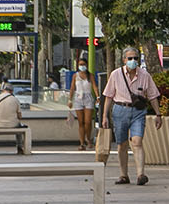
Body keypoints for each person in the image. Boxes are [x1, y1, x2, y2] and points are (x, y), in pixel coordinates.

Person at [102, 46, 163, 185]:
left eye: (135, 58)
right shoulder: (115, 74)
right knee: (122, 144)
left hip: (138, 112)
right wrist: (105, 116)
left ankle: (141, 174)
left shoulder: (145, 75)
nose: (133, 61)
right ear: (124, 60)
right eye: (130, 58)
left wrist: (158, 114)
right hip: (120, 110)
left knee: (137, 141)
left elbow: (153, 96)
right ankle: (124, 175)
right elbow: (109, 96)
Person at [69, 59, 97, 151]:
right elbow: (72, 87)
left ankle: (88, 139)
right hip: (78, 98)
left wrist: (98, 97)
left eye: (83, 64)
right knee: (81, 122)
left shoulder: (90, 76)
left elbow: (94, 86)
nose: (82, 66)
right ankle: (81, 143)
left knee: (88, 121)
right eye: (80, 64)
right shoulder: (75, 76)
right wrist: (70, 100)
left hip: (88, 98)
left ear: (87, 65)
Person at [0, 81, 25, 152]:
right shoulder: (15, 100)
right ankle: (19, 147)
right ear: (11, 91)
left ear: (2, 90)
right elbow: (20, 116)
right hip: (13, 124)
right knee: (19, 126)